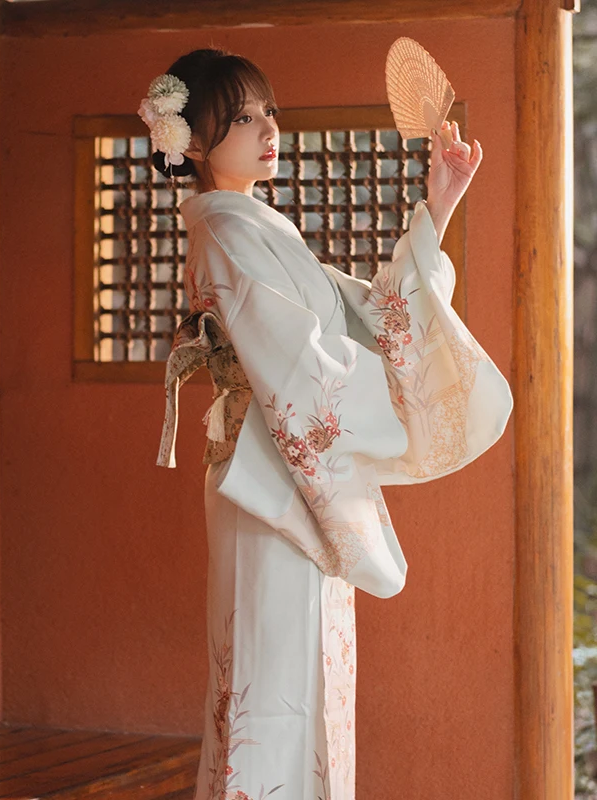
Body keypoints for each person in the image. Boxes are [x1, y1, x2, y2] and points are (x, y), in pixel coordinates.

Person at [142, 48, 513, 800]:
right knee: (267, 679)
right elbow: (305, 372)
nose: (267, 127)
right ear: (192, 142)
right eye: (241, 117)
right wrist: (397, 407)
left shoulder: (255, 225)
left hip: (286, 477)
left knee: (297, 681)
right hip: (268, 484)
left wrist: (436, 206)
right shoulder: (225, 228)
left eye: (268, 111)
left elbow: (364, 318)